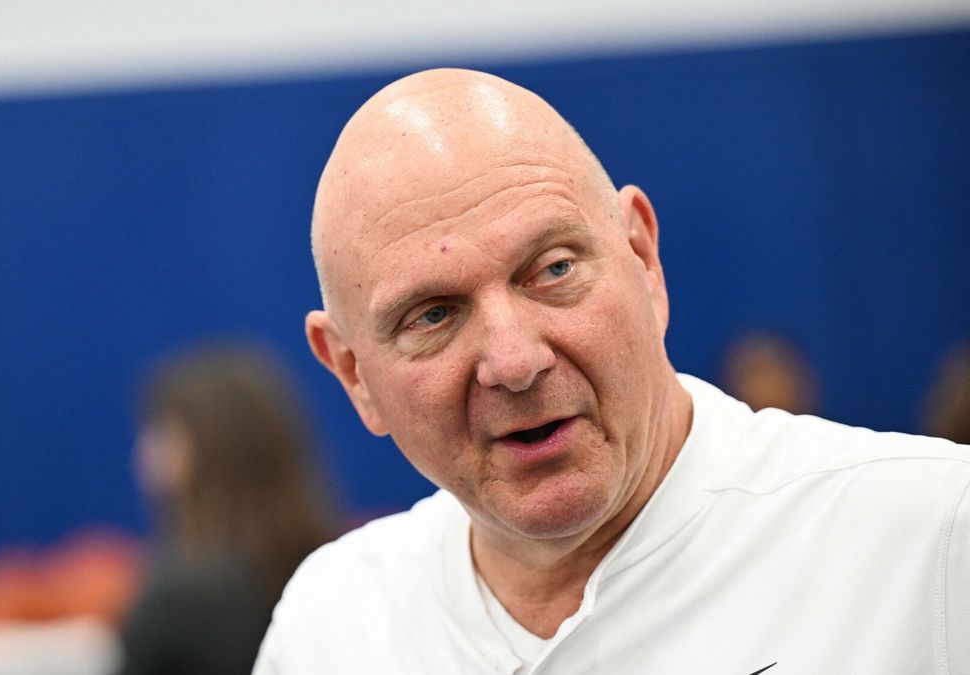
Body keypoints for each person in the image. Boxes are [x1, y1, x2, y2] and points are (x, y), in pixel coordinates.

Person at [254, 69, 970, 674]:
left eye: (553, 269)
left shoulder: (929, 540)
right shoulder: (332, 626)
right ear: (352, 373)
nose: (514, 360)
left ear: (643, 256)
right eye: (434, 315)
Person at [118, 344, 333, 675]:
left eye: (161, 435)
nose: (143, 457)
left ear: (196, 451)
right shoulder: (335, 568)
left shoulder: (174, 603)